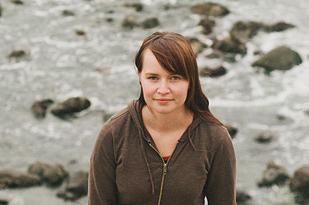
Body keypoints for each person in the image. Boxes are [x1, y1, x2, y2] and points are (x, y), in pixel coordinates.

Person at [88, 32, 236, 205]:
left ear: (190, 80)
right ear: (140, 77)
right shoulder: (113, 134)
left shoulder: (215, 139)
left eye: (174, 77)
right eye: (153, 78)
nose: (163, 89)